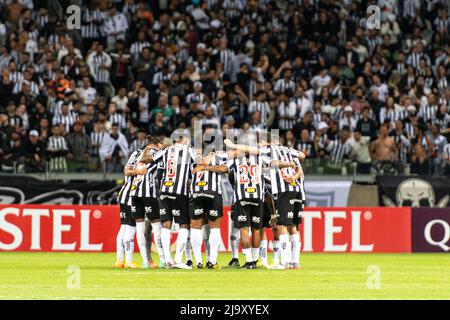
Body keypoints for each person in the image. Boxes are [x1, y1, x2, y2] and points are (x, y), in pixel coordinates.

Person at [142, 130, 202, 269]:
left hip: (164, 191)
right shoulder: (189, 150)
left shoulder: (166, 150)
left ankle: (168, 260)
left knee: (166, 225)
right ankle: (178, 260)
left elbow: (146, 160)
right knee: (184, 225)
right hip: (179, 192)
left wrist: (147, 148)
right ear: (184, 139)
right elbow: (200, 161)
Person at [129, 136, 164, 269]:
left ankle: (145, 261)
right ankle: (162, 259)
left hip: (134, 193)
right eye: (161, 143)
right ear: (156, 144)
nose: (163, 146)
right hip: (148, 193)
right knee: (157, 226)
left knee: (140, 227)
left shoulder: (136, 153)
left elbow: (127, 170)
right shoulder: (157, 153)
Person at [115, 147, 145, 269]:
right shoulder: (142, 156)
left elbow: (126, 170)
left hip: (124, 195)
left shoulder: (135, 153)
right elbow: (127, 171)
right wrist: (139, 172)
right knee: (130, 228)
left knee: (123, 228)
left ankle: (120, 260)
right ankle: (129, 261)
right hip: (131, 197)